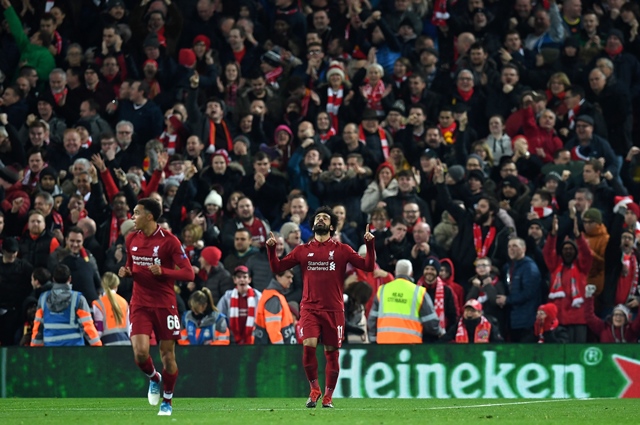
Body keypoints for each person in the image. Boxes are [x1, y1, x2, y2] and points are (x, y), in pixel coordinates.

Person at [266, 206, 375, 408]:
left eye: (325, 218)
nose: (321, 220)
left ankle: (328, 397)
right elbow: (277, 268)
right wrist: (271, 249)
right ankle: (314, 389)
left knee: (332, 353)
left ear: (332, 226)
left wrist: (369, 245)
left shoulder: (342, 250)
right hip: (309, 308)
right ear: (314, 225)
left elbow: (368, 266)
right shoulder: (302, 250)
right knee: (308, 347)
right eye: (318, 218)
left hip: (334, 309)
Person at [118, 198, 195, 416]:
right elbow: (131, 265)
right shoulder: (131, 238)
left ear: (149, 216)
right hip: (140, 303)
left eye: (136, 212)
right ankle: (154, 378)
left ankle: (167, 401)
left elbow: (189, 273)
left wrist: (165, 271)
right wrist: (127, 271)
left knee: (168, 357)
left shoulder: (169, 241)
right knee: (141, 354)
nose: (132, 217)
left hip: (164, 304)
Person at [368, 259, 443, 344]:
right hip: (410, 346)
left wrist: (373, 340)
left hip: (384, 344)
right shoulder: (419, 292)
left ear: (395, 272)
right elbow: (431, 323)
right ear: (411, 273)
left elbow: (372, 319)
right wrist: (439, 332)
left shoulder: (382, 290)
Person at [31, 264, 102, 347]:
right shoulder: (78, 299)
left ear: (53, 279)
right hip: (74, 351)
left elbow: (38, 327)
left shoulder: (43, 299)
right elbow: (88, 327)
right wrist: (98, 348)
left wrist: (34, 349)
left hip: (51, 352)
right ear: (70, 279)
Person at [216, 265, 262, 345]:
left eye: (244, 277)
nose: (242, 279)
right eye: (239, 277)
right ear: (234, 280)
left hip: (253, 340)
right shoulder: (227, 297)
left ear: (249, 280)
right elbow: (219, 316)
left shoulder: (258, 297)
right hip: (232, 341)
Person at [254, 269, 298, 344]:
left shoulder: (276, 295)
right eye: (288, 277)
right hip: (275, 351)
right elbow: (273, 330)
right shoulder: (273, 298)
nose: (291, 281)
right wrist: (280, 352)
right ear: (277, 276)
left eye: (291, 278)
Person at [92, 272, 130, 346]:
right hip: (126, 344)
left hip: (108, 345)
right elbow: (129, 328)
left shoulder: (98, 303)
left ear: (103, 285)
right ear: (116, 285)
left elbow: (99, 329)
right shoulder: (124, 302)